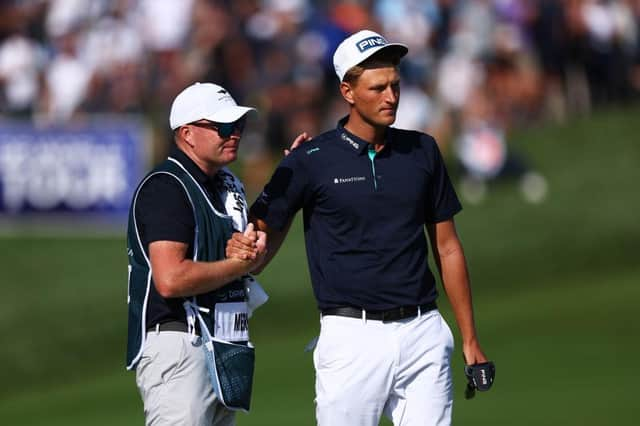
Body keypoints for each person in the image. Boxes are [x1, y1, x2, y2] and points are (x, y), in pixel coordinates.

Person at [227, 30, 493, 425]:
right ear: (348, 91)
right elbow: (260, 237)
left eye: (395, 85)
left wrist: (470, 339)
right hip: (352, 337)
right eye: (378, 87)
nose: (391, 97)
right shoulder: (311, 159)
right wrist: (278, 187)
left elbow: (448, 247)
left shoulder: (423, 150)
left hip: (423, 331)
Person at [125, 82, 272, 425]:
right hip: (181, 344)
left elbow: (248, 262)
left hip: (221, 343)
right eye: (222, 127)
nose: (234, 133)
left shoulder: (225, 185)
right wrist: (236, 266)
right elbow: (171, 279)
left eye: (238, 126)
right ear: (188, 134)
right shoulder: (167, 186)